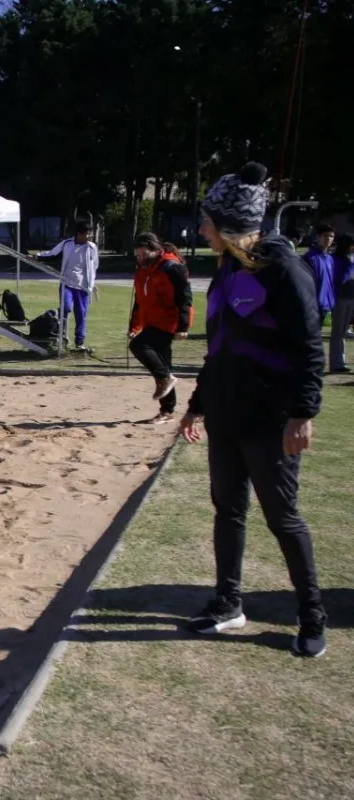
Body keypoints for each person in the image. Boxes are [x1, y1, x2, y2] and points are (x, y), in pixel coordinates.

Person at [178, 161, 327, 658]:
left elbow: (309, 347)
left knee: (283, 518)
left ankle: (312, 616)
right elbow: (219, 348)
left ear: (230, 225)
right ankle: (228, 603)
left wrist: (302, 413)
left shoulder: (282, 268)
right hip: (226, 416)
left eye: (208, 221)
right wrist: (197, 405)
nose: (202, 229)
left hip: (270, 422)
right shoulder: (224, 269)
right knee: (228, 512)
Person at [128, 232, 193, 424]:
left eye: (144, 254)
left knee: (140, 346)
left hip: (168, 321)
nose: (140, 259)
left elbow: (185, 297)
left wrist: (183, 325)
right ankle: (167, 410)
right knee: (164, 364)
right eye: (137, 255)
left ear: (156, 251)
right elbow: (139, 300)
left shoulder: (171, 267)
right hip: (151, 321)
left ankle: (164, 378)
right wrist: (135, 325)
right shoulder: (142, 269)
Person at [37, 221, 99, 350]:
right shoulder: (67, 244)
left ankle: (80, 342)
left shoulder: (92, 247)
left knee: (81, 313)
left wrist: (92, 283)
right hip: (67, 284)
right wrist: (37, 257)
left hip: (83, 287)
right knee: (64, 308)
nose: (88, 237)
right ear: (79, 233)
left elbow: (94, 266)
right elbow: (52, 254)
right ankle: (62, 336)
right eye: (86, 234)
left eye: (89, 234)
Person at [328, 234, 354, 374]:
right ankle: (336, 363)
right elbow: (339, 279)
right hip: (339, 298)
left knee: (343, 332)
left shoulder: (348, 259)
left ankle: (340, 362)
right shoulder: (336, 259)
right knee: (338, 332)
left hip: (350, 297)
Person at [303, 224, 336, 327]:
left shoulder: (330, 259)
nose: (328, 239)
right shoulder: (309, 257)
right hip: (312, 305)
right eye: (325, 235)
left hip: (326, 305)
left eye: (331, 236)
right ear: (318, 237)